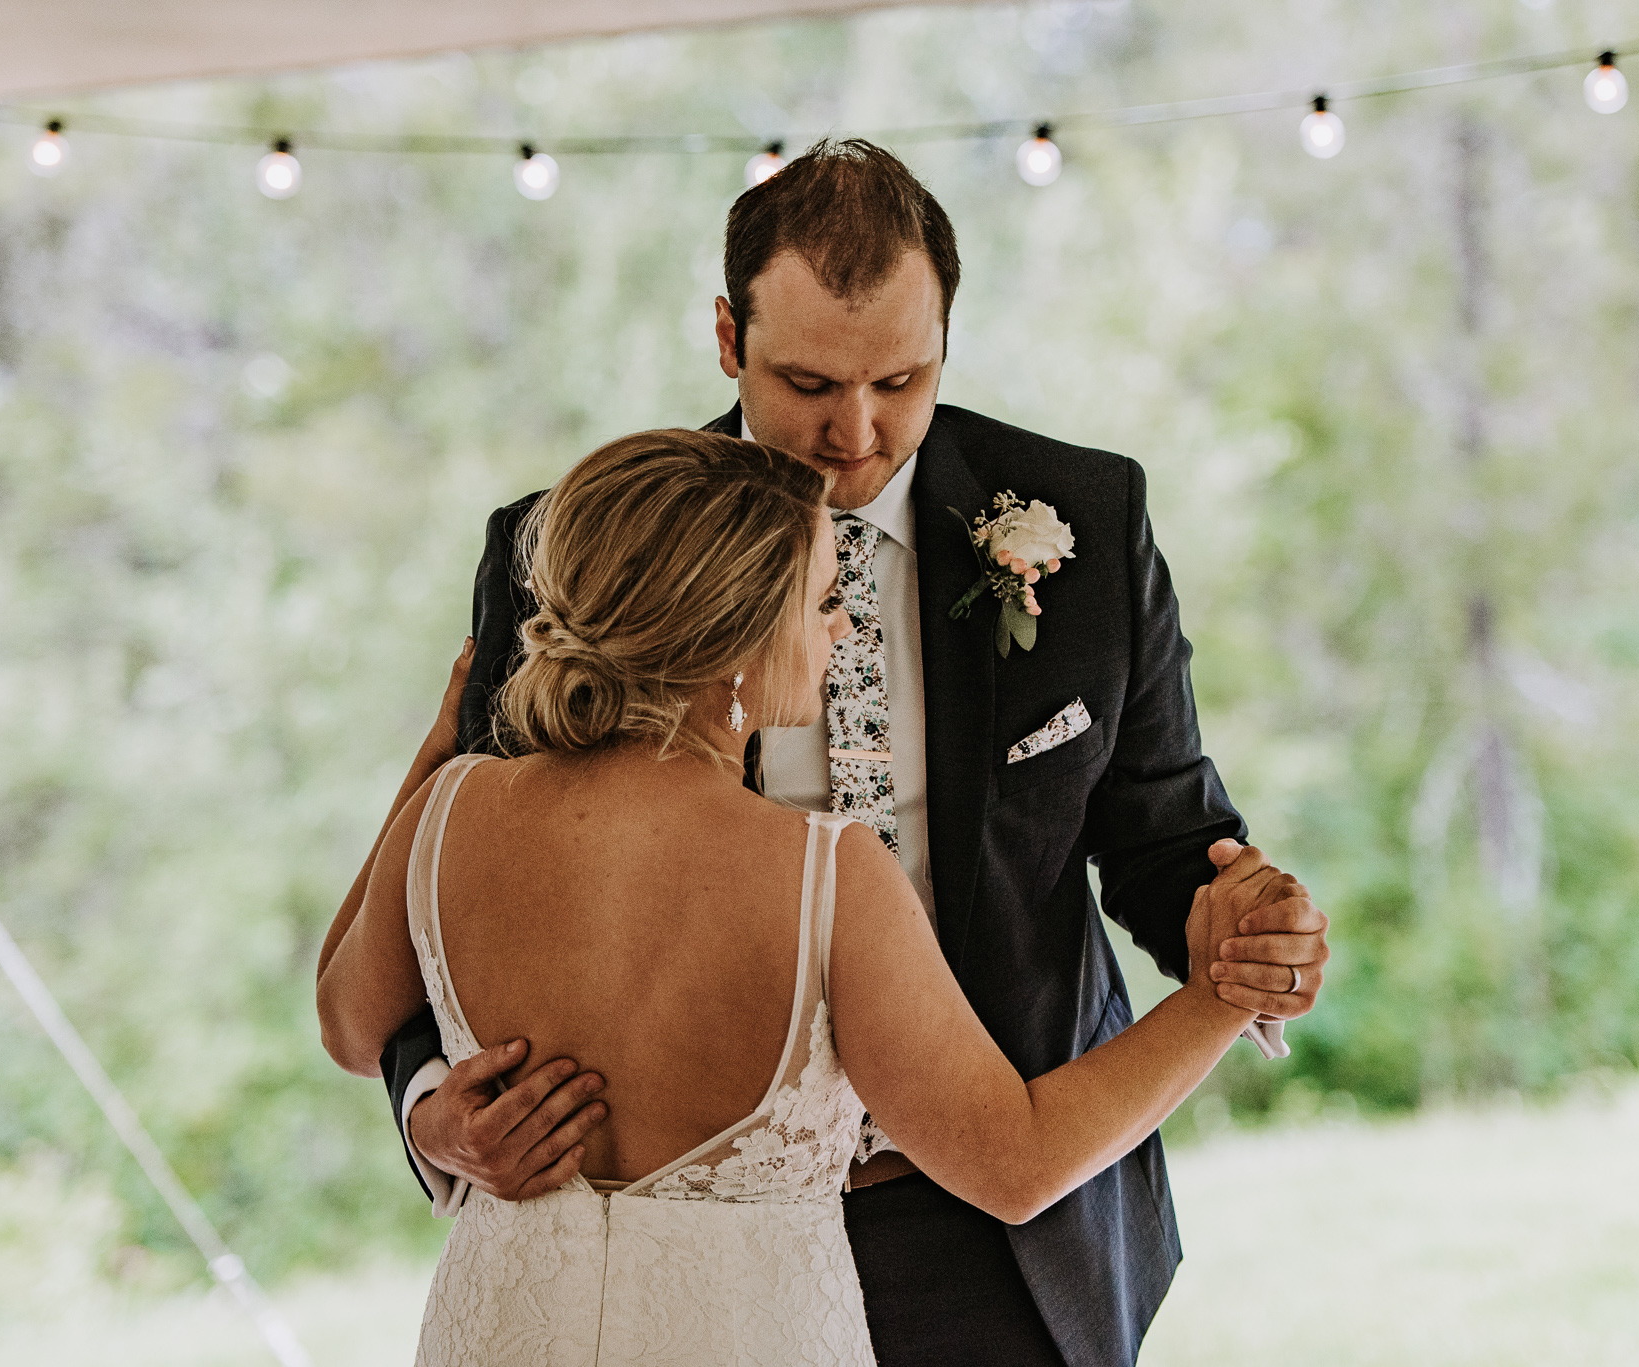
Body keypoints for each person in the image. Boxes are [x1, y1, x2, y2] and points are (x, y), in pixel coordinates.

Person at [343, 139, 1332, 1367]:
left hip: (1008, 1239)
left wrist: (1237, 932)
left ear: (946, 337)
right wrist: (432, 1112)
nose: (854, 434)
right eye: (806, 380)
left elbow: (1163, 838)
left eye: (900, 380)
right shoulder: (575, 548)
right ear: (727, 337)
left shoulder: (1086, 517)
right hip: (683, 1242)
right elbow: (457, 907)